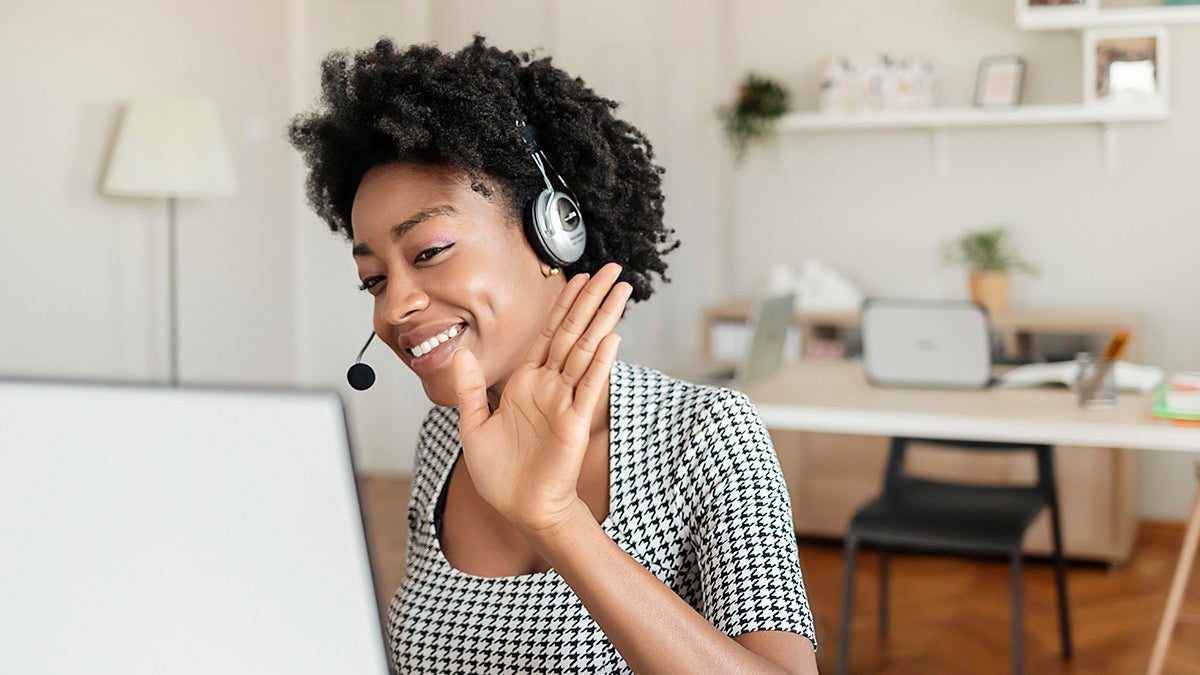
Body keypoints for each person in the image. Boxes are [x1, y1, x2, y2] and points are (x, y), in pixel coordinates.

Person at [288, 36, 818, 674]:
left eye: (428, 252)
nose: (393, 306)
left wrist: (558, 522)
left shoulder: (704, 432)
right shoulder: (443, 437)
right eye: (373, 279)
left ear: (553, 234)